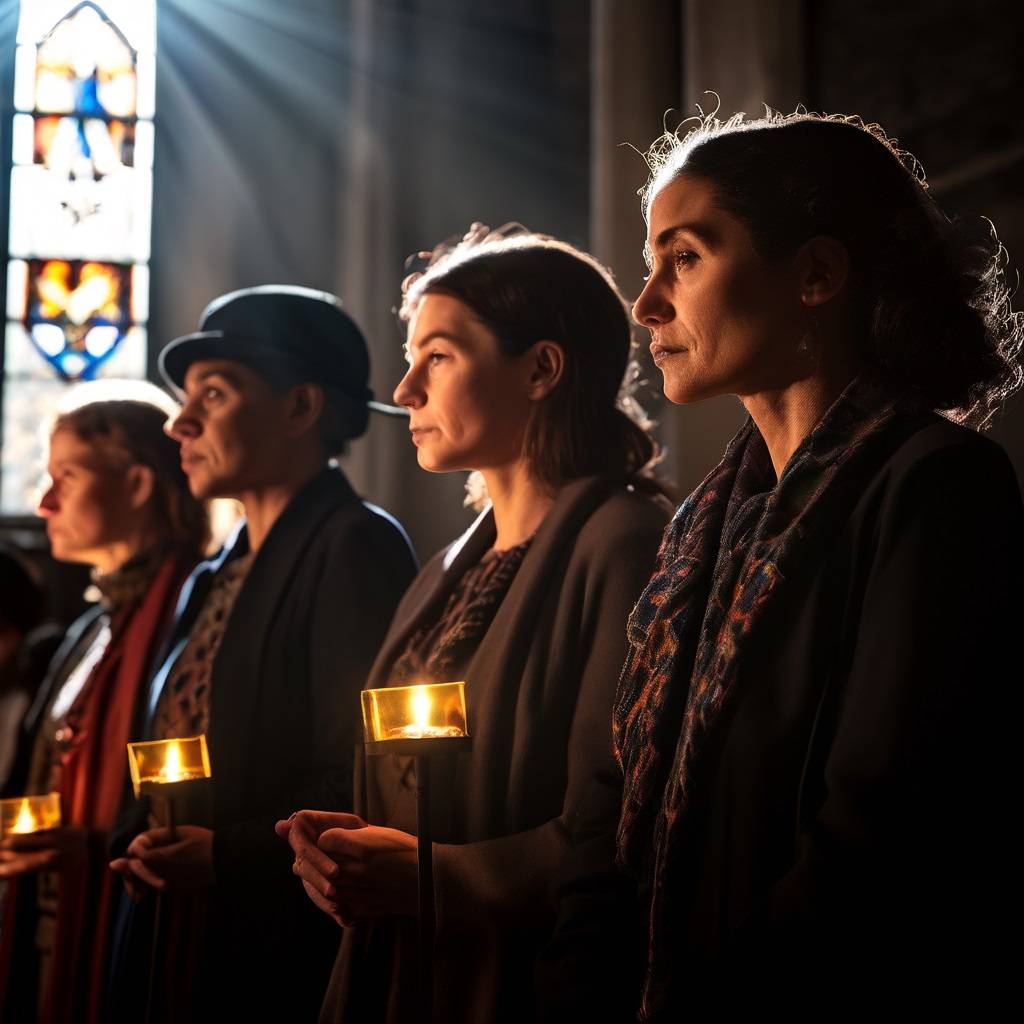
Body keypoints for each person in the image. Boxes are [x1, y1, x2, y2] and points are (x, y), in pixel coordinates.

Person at [609, 111, 1024, 1018]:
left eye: (684, 258)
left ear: (816, 274)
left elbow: (882, 837)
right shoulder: (701, 527)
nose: (646, 303)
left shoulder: (937, 485)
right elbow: (609, 826)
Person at [278, 226, 673, 1023]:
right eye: (411, 355)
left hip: (511, 983)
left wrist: (442, 874)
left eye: (439, 356)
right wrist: (346, 848)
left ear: (540, 369)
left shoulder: (623, 544)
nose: (404, 389)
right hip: (399, 970)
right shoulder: (445, 567)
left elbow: (625, 822)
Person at [106, 285, 418, 1023]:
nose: (180, 422)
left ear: (301, 407)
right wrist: (136, 835)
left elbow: (357, 773)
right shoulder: (215, 569)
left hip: (264, 949)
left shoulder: (353, 543)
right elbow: (162, 744)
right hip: (171, 935)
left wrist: (221, 855)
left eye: (213, 394)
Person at [0, 382, 207, 1024]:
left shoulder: (190, 616)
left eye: (67, 475)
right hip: (43, 915)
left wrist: (90, 844)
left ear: (139, 483)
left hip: (122, 928)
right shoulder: (92, 628)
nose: (45, 501)